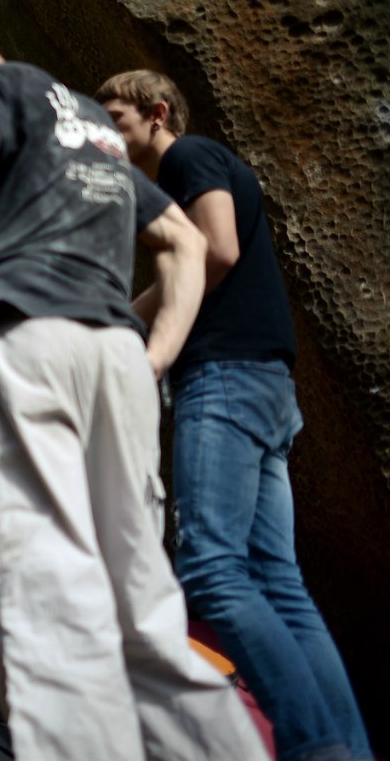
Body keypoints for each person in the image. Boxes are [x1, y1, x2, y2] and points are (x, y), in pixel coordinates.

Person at [0, 0, 267, 760]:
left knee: (46, 596)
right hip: (115, 360)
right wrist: (152, 354)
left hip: (25, 344)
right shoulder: (93, 124)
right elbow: (183, 246)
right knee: (145, 605)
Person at [96, 69, 371, 761]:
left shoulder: (189, 157)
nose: (105, 133)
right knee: (279, 583)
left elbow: (216, 249)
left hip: (226, 379)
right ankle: (346, 749)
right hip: (265, 387)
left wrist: (131, 328)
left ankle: (317, 749)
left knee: (213, 570)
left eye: (114, 118)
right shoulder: (181, 177)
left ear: (158, 113)